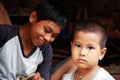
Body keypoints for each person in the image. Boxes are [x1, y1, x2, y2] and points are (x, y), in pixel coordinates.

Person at [0, 0, 67, 80]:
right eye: (46, 30)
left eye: (54, 35)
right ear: (33, 17)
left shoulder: (45, 50)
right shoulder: (4, 34)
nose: (48, 38)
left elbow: (44, 77)